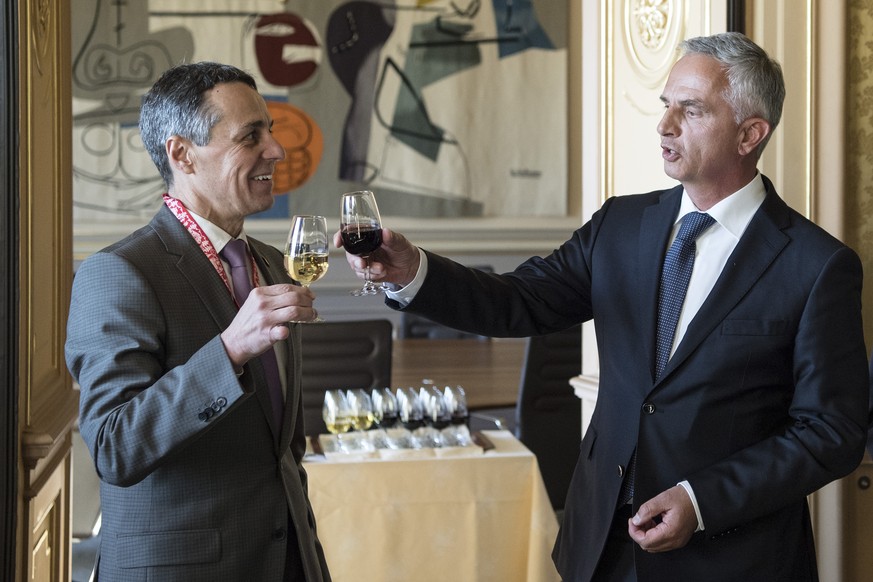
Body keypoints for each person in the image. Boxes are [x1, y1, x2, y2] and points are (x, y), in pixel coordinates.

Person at [338, 33, 869, 581]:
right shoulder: (621, 225)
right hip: (600, 547)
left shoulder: (817, 265)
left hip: (733, 557)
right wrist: (413, 270)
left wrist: (701, 500)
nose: (665, 126)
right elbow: (520, 300)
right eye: (666, 106)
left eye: (690, 110)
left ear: (750, 134)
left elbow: (831, 432)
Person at [66, 62, 330, 581]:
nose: (275, 151)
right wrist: (229, 350)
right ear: (182, 153)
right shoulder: (117, 273)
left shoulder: (273, 262)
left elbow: (280, 449)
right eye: (250, 136)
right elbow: (115, 447)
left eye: (270, 132)